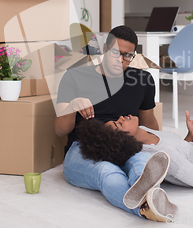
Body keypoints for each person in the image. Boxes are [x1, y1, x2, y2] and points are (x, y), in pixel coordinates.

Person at [54, 25, 177, 222]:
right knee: (106, 171)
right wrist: (72, 105)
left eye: (127, 55)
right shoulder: (74, 76)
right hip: (83, 147)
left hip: (125, 144)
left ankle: (152, 198)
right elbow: (60, 130)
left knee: (143, 164)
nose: (121, 60)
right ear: (104, 49)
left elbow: (148, 125)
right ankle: (146, 209)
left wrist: (180, 143)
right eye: (115, 53)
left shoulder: (142, 80)